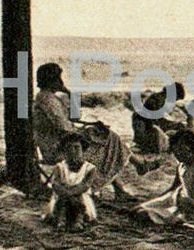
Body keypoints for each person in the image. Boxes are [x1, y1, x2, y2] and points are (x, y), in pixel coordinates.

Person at [32, 62, 134, 200]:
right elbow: (64, 129)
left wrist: (69, 94)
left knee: (108, 138)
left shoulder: (49, 98)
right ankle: (125, 182)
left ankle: (122, 186)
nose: (61, 81)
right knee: (109, 140)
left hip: (62, 143)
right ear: (52, 80)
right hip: (60, 148)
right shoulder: (48, 100)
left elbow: (73, 118)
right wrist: (87, 132)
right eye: (58, 78)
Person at [135, 132, 194, 228]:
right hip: (178, 198)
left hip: (192, 207)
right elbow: (173, 187)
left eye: (181, 150)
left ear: (191, 148)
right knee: (139, 208)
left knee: (145, 215)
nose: (177, 154)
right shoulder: (181, 165)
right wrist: (157, 200)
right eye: (175, 151)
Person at [43, 135, 98, 232]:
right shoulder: (60, 167)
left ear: (83, 150)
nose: (73, 151)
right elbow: (55, 184)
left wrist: (71, 193)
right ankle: (61, 221)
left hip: (80, 197)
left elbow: (85, 185)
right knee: (62, 201)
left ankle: (78, 221)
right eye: (69, 148)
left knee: (79, 200)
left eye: (77, 148)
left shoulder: (90, 168)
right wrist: (65, 192)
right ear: (65, 152)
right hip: (62, 195)